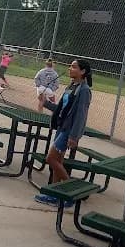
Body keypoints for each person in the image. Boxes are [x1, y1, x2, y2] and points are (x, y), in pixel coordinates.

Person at [34, 58, 93, 206]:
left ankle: (70, 194)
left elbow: (81, 115)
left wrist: (74, 136)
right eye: (70, 66)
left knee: (51, 159)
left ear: (82, 71)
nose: (70, 69)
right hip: (61, 127)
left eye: (74, 67)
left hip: (68, 131)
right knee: (57, 162)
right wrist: (45, 103)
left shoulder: (84, 90)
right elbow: (61, 109)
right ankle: (55, 195)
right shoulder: (71, 86)